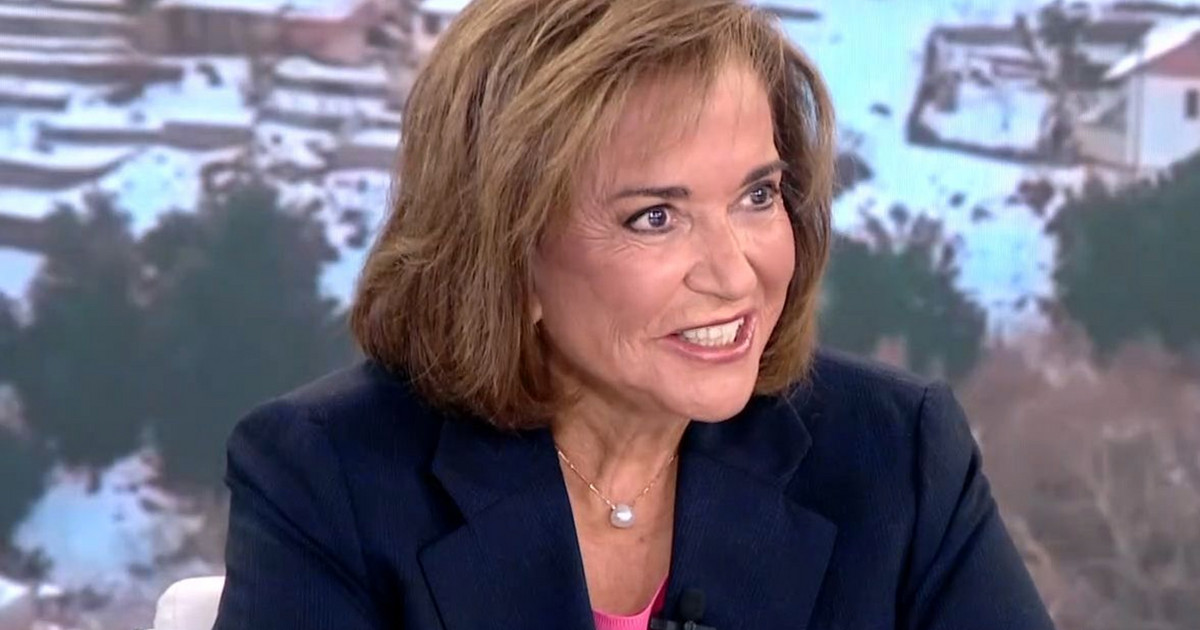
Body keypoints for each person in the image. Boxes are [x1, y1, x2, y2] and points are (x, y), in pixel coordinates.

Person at [213, 0, 1056, 628]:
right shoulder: (330, 477)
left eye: (758, 196)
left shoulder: (896, 456)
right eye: (656, 216)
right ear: (508, 253)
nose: (735, 272)